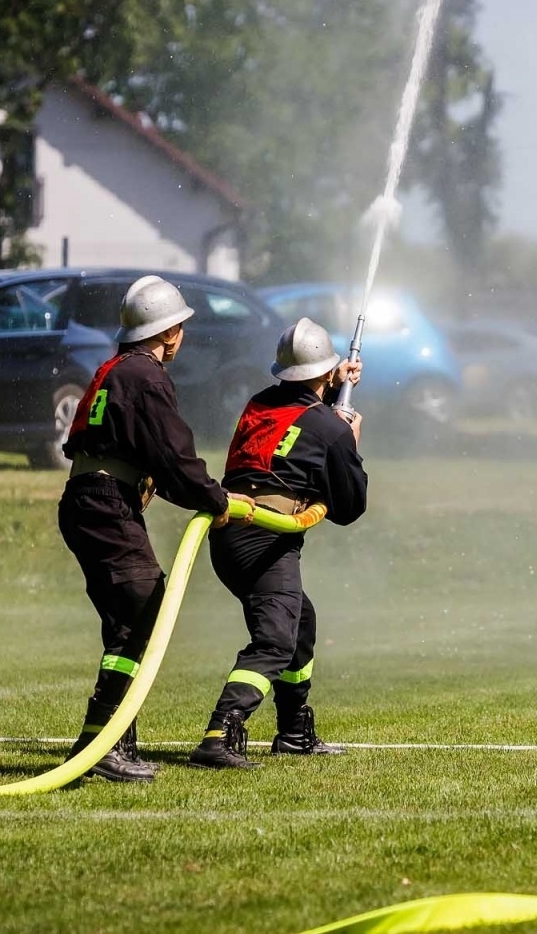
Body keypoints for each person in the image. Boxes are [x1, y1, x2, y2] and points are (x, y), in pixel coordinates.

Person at [58, 275, 252, 783]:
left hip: (88, 501)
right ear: (169, 333)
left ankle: (108, 742)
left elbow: (150, 460)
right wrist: (217, 498)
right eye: (181, 327)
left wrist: (182, 489)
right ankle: (101, 743)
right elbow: (173, 456)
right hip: (105, 507)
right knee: (142, 614)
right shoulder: (146, 377)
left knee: (129, 622)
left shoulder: (115, 370)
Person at [188, 317, 368, 771]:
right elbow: (349, 508)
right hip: (266, 536)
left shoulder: (259, 403)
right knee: (274, 641)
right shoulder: (331, 428)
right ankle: (220, 733)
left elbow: (297, 419)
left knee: (299, 621)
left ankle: (292, 732)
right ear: (326, 373)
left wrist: (332, 392)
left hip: (230, 533)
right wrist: (350, 442)